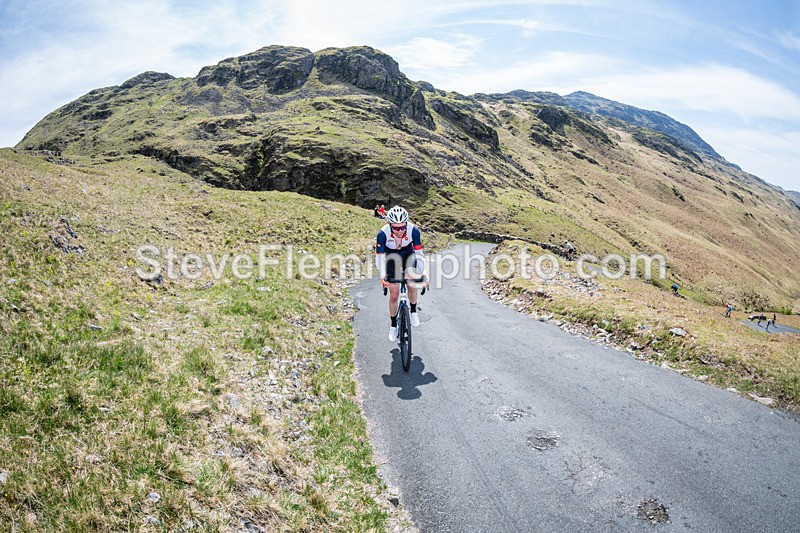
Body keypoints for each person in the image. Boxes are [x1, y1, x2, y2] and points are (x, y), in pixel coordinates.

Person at [375, 206, 425, 341]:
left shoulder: (413, 230)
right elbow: (380, 257)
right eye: (396, 228)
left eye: (403, 227)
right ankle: (393, 326)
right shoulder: (382, 234)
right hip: (392, 258)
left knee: (412, 283)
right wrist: (382, 275)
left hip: (409, 255)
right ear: (389, 224)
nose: (400, 230)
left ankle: (413, 311)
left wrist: (421, 272)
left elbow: (419, 254)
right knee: (394, 294)